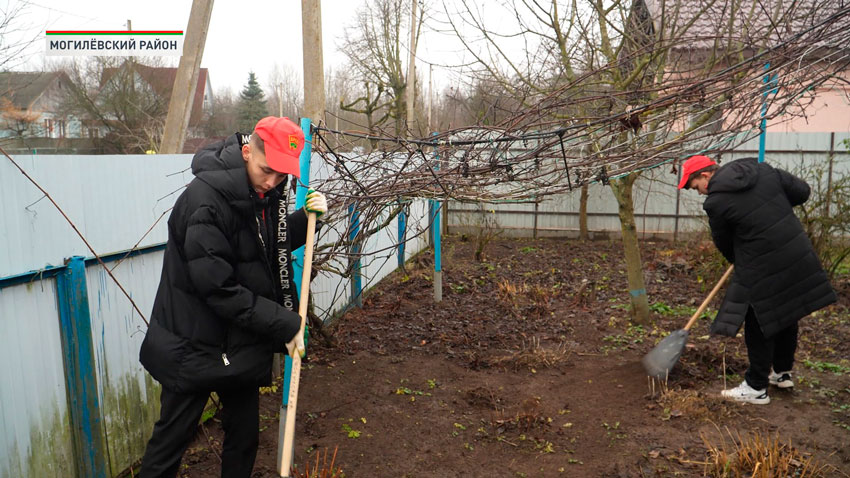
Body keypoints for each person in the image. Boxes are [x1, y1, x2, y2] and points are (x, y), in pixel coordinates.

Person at [138, 116, 327, 477]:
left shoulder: (262, 193)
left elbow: (258, 248)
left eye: (282, 175)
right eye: (267, 170)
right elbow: (220, 288)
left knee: (243, 440)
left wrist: (305, 219)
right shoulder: (205, 203)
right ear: (246, 152)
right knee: (170, 445)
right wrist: (286, 325)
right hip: (192, 344)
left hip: (236, 344)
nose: (273, 182)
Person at [678, 155, 836, 405]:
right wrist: (774, 210)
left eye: (696, 187)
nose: (699, 193)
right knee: (788, 309)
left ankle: (756, 387)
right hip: (796, 251)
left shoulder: (716, 202)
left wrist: (742, 258)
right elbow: (802, 192)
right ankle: (782, 373)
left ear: (706, 175)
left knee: (759, 319)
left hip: (763, 262)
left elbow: (725, 244)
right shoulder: (762, 170)